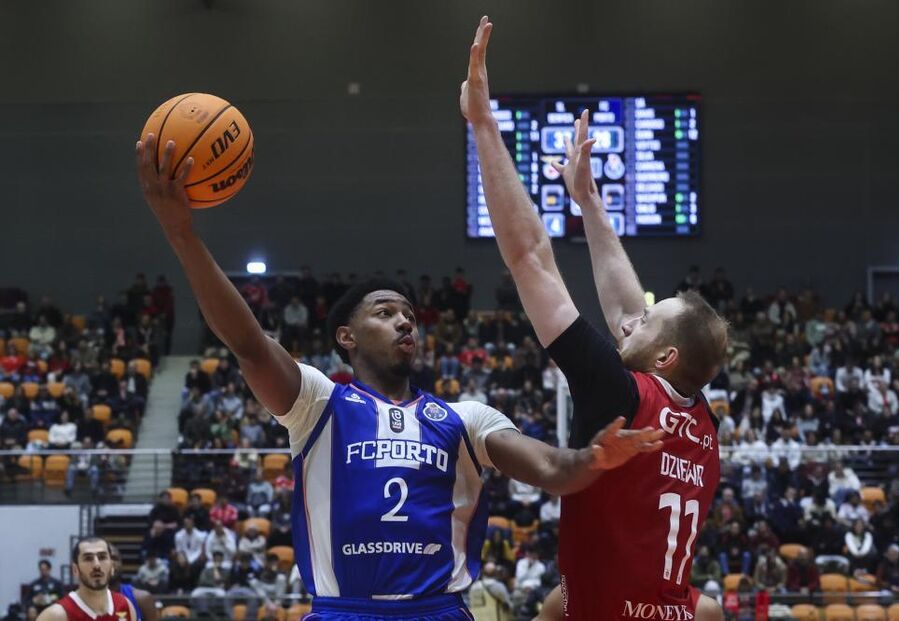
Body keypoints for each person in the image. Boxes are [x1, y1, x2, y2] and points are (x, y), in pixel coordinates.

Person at [135, 131, 662, 619]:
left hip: (438, 608)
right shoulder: (320, 404)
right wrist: (181, 234)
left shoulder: (465, 419)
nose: (404, 319)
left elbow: (551, 468)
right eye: (385, 312)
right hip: (345, 609)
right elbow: (249, 345)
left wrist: (594, 458)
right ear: (347, 336)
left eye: (408, 313)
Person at [461, 16, 725, 620]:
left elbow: (530, 258)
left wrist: (483, 126)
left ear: (664, 358)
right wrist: (589, 203)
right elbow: (633, 311)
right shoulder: (701, 419)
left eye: (651, 322)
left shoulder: (618, 391)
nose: (632, 320)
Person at [36, 537, 136, 621]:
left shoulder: (126, 605)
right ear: (75, 569)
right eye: (88, 558)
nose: (96, 565)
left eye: (102, 557)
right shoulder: (55, 615)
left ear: (112, 567)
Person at [109, 545, 157, 621]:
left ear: (122, 564)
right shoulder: (85, 601)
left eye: (114, 558)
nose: (111, 563)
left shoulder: (142, 599)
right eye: (104, 558)